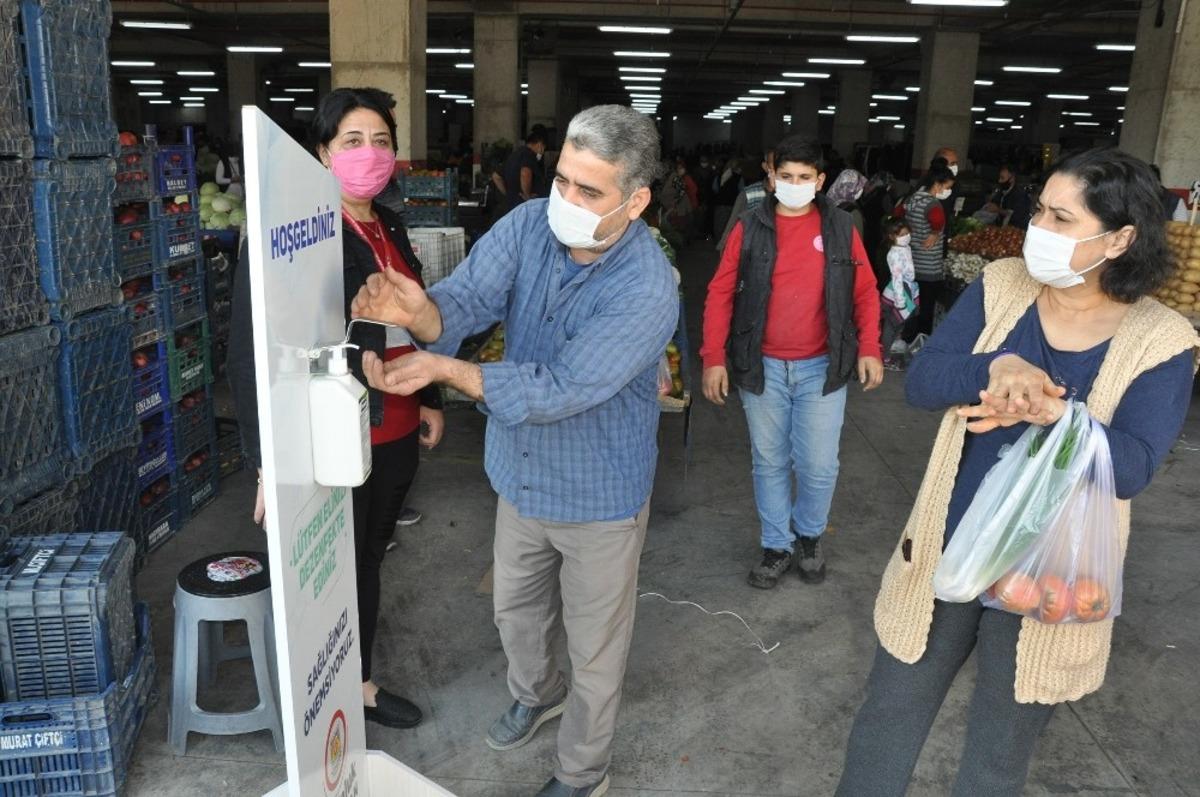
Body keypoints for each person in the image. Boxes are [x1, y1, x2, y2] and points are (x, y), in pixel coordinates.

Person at [837, 147, 1199, 796]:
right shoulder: (1003, 286)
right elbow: (925, 382)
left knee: (996, 760)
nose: (1040, 230)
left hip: (1048, 582)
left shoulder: (1161, 338)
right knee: (886, 720)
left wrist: (1051, 415)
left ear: (1119, 238)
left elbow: (1133, 467)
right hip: (948, 551)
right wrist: (995, 369)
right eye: (1039, 211)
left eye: (1062, 219)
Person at [349, 105, 678, 797]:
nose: (567, 201)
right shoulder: (529, 225)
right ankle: (537, 691)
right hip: (521, 475)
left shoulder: (647, 288)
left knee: (597, 649)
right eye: (562, 180)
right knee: (515, 611)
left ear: (637, 199)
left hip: (599, 494)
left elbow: (564, 386)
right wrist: (420, 314)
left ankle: (583, 771)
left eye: (590, 191)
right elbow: (463, 302)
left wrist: (446, 371)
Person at [227, 87, 445, 730]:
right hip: (335, 437)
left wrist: (429, 395)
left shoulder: (389, 223)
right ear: (321, 153)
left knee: (370, 556)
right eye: (352, 140)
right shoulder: (290, 234)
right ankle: (327, 698)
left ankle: (361, 681)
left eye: (381, 141)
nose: (368, 153)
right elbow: (250, 352)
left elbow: (407, 324)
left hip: (395, 425)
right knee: (328, 571)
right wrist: (266, 458)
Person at [700, 135, 884, 590]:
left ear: (820, 181)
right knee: (769, 460)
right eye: (786, 177)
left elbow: (864, 291)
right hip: (760, 367)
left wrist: (870, 348)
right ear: (771, 177)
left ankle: (810, 535)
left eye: (805, 178)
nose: (795, 184)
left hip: (822, 367)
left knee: (819, 465)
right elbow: (720, 292)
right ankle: (776, 544)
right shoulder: (750, 225)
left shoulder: (842, 228)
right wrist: (713, 357)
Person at [897, 163, 955, 338]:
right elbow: (937, 222)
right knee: (926, 308)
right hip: (929, 266)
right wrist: (936, 233)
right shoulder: (933, 205)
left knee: (912, 304)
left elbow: (897, 214)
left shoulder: (911, 199)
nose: (947, 190)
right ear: (937, 184)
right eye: (946, 187)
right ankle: (921, 340)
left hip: (912, 262)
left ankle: (907, 337)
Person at [715, 149, 774, 252]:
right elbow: (733, 222)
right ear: (765, 166)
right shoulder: (749, 193)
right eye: (774, 163)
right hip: (754, 253)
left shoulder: (792, 196)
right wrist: (724, 245)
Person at [880, 218, 918, 369]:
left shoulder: (906, 248)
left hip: (907, 290)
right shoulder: (894, 254)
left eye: (907, 233)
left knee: (899, 324)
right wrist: (900, 302)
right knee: (891, 325)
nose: (906, 236)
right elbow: (896, 278)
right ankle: (884, 357)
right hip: (897, 293)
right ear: (891, 236)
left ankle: (892, 347)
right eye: (901, 234)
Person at [500, 129, 548, 212]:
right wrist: (527, 196)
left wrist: (507, 194)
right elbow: (525, 172)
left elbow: (496, 176)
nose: (542, 152)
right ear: (539, 145)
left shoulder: (514, 154)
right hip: (524, 206)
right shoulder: (529, 154)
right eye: (543, 148)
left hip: (512, 203)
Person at [980, 164, 1032, 229]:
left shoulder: (1021, 195)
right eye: (999, 178)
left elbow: (1017, 217)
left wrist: (998, 210)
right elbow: (994, 203)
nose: (999, 181)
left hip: (1015, 231)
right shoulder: (1001, 191)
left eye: (1002, 178)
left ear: (1012, 179)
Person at [826, 168, 869, 237]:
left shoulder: (826, 203)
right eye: (859, 187)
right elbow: (857, 243)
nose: (862, 190)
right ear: (852, 189)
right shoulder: (852, 212)